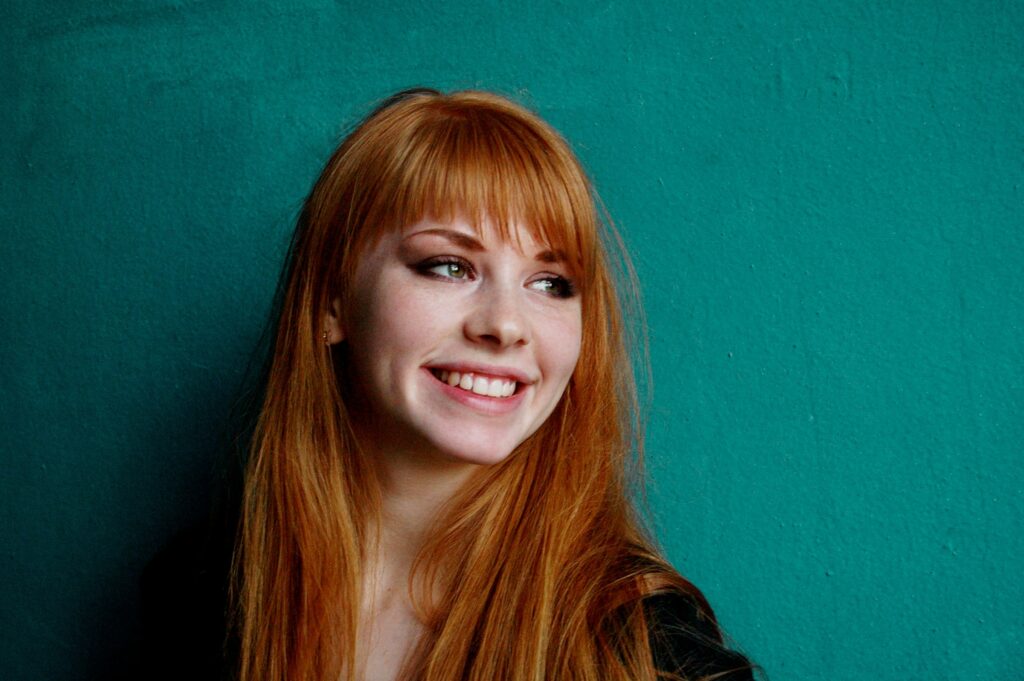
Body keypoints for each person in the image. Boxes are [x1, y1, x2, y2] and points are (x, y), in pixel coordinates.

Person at [144, 88, 755, 681]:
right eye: (449, 266)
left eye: (550, 282)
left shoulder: (649, 652)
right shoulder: (199, 595)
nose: (506, 325)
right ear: (331, 303)